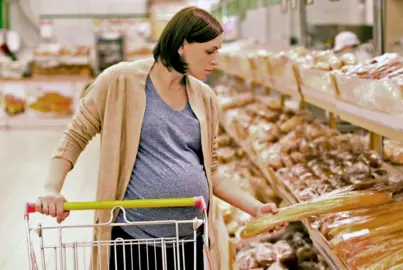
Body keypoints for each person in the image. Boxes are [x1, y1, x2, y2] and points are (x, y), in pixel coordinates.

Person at [35, 6, 281, 270]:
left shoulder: (205, 97)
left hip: (189, 239)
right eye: (210, 51)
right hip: (134, 241)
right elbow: (75, 136)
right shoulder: (119, 81)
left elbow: (213, 173)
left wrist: (254, 208)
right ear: (183, 45)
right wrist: (52, 188)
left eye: (218, 51)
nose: (215, 60)